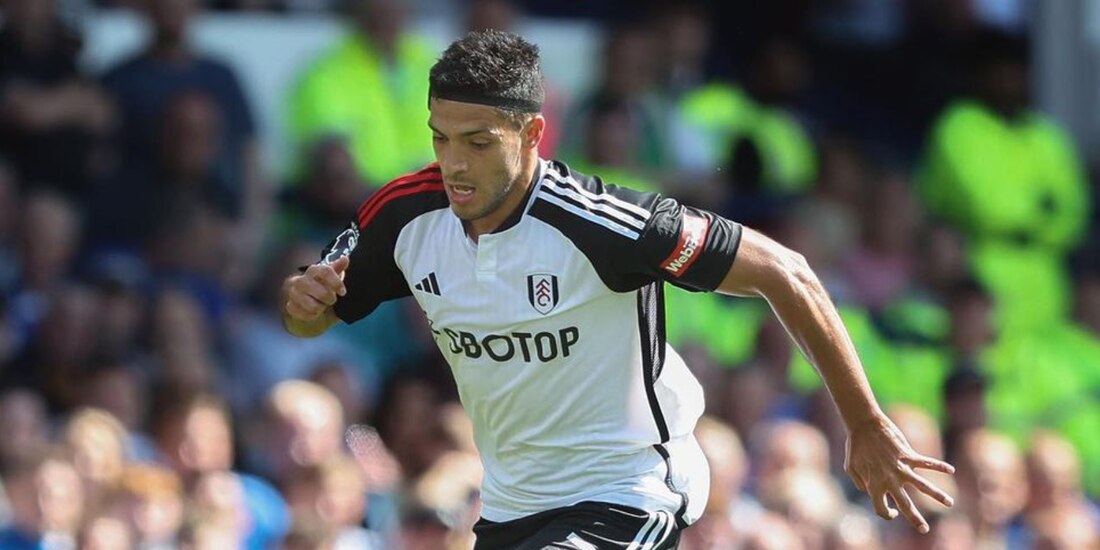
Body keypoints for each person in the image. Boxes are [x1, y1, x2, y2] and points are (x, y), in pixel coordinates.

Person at [281, 30, 955, 548]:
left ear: (533, 134)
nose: (454, 163)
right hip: (511, 508)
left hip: (631, 488)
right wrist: (302, 305)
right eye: (441, 138)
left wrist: (864, 423)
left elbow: (787, 272)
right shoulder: (403, 214)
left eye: (479, 142)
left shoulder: (603, 224)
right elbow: (313, 316)